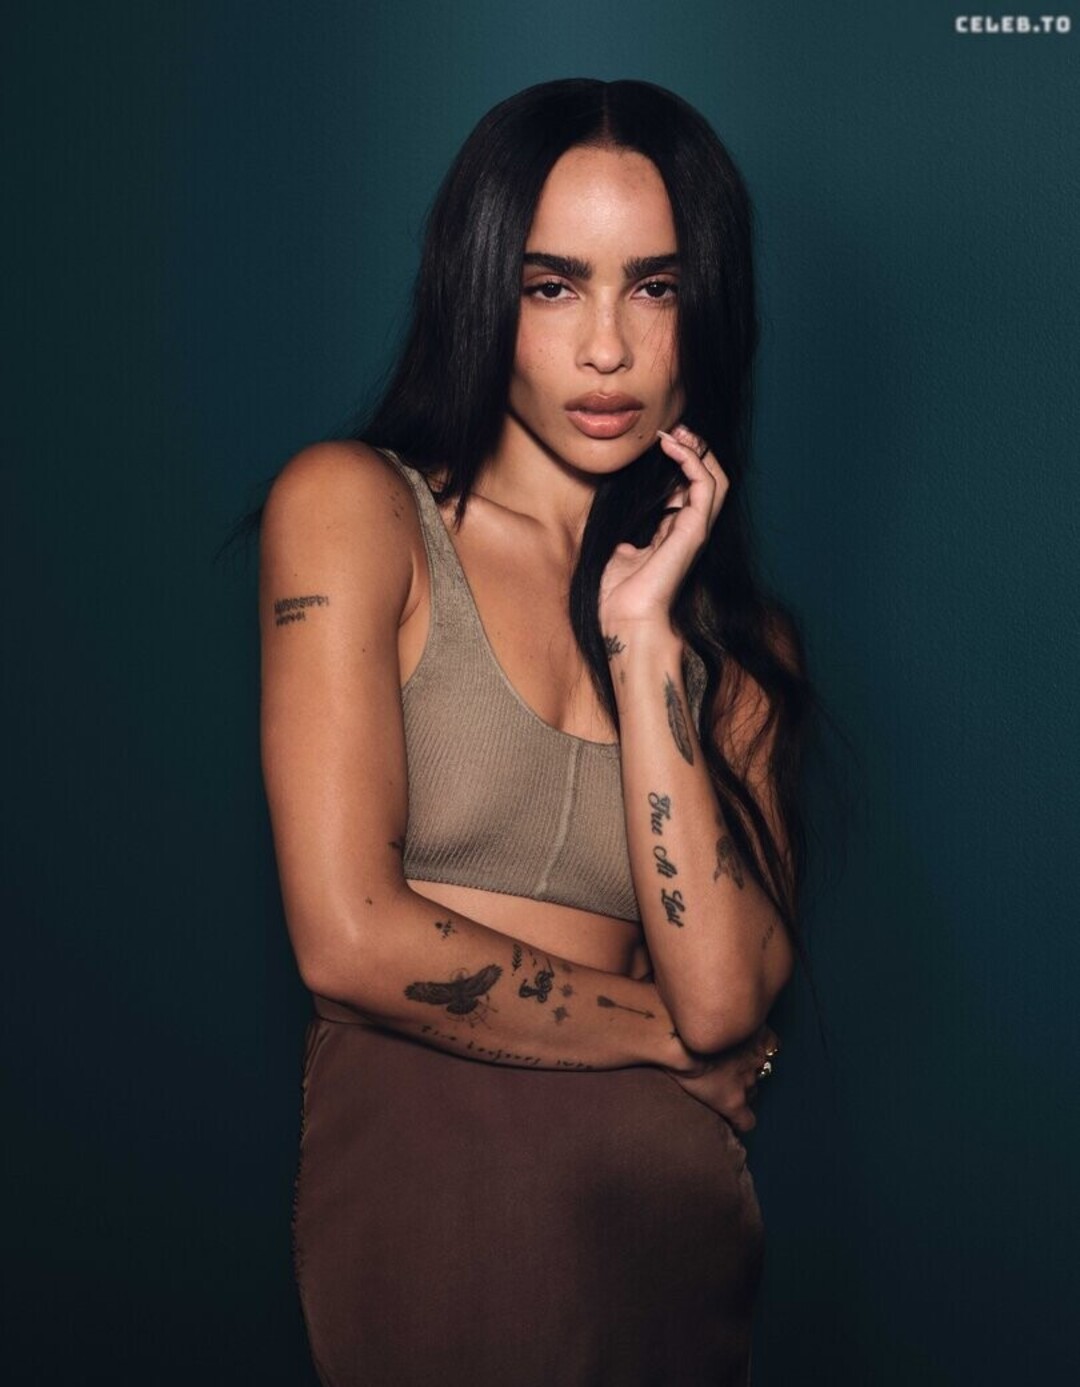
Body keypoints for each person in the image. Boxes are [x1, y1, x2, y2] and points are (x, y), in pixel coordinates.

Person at [256, 78, 814, 1387]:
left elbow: (728, 994)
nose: (606, 349)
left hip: (666, 1220)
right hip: (445, 1187)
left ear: (706, 306)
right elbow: (347, 939)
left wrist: (644, 637)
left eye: (654, 287)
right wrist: (665, 1035)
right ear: (478, 290)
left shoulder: (736, 644)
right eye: (552, 286)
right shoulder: (354, 510)